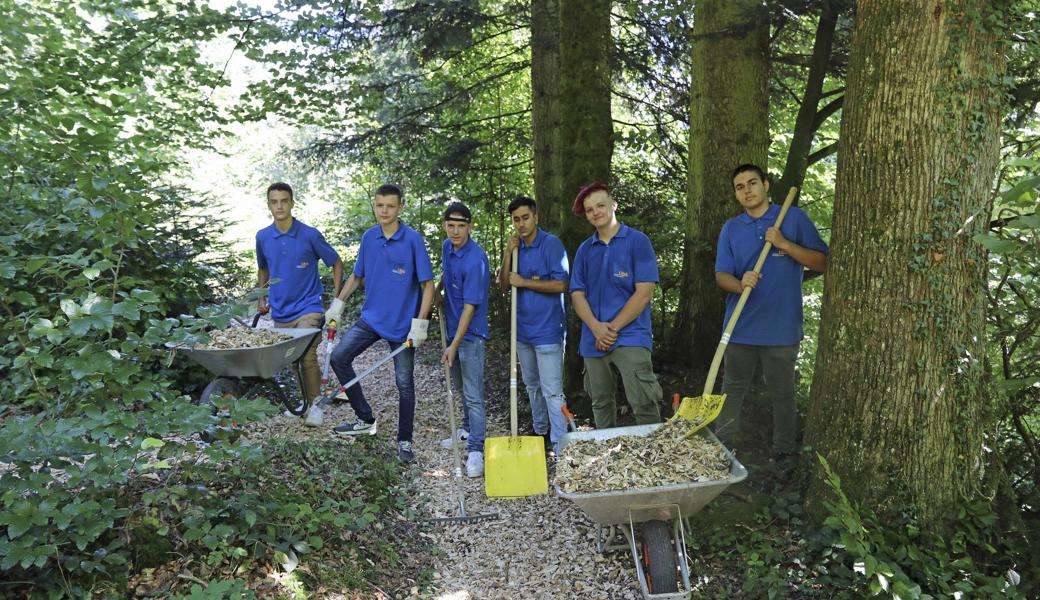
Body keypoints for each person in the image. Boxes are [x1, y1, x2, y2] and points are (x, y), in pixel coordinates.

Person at [712, 164, 828, 458]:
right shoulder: (732, 228)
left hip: (781, 327)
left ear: (765, 185)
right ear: (736, 195)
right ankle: (722, 452)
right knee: (732, 389)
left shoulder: (792, 217)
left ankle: (783, 456)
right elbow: (721, 275)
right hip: (740, 326)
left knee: (782, 393)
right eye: (740, 187)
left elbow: (822, 262)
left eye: (752, 183)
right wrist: (740, 284)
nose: (747, 190)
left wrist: (785, 244)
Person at [324, 184, 434, 463]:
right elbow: (356, 276)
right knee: (339, 358)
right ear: (374, 205)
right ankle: (364, 418)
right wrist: (338, 303)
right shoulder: (369, 237)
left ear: (400, 208)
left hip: (402, 327)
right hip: (371, 319)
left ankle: (405, 441)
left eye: (390, 206)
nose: (383, 211)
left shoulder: (412, 240)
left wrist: (420, 323)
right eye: (379, 205)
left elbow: (428, 286)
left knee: (404, 384)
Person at [569, 183, 663, 429]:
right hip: (593, 339)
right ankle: (606, 459)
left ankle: (652, 460)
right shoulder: (584, 250)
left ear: (613, 205)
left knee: (643, 400)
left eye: (600, 205)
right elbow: (577, 294)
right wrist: (596, 328)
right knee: (600, 402)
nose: (595, 212)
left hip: (631, 335)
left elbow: (645, 293)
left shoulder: (637, 241)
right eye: (589, 210)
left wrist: (611, 329)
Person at [256, 182, 343, 406]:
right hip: (281, 311)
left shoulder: (310, 235)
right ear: (268, 205)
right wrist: (262, 297)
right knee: (292, 360)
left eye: (284, 201)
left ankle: (314, 407)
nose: (280, 206)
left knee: (307, 356)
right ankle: (306, 403)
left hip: (309, 307)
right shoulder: (263, 237)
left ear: (292, 203)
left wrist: (337, 299)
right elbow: (263, 268)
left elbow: (336, 263)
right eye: (274, 202)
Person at [498, 195, 569, 454]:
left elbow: (562, 285)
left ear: (536, 217)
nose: (521, 224)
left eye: (525, 218)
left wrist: (525, 281)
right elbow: (504, 286)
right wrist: (508, 253)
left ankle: (561, 446)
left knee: (552, 391)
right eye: (516, 220)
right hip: (523, 331)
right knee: (532, 386)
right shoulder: (516, 248)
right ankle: (541, 432)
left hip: (548, 331)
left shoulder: (551, 245)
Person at [438, 202, 490, 477]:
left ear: (470, 226)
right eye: (451, 226)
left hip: (470, 335)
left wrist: (454, 345)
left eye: (461, 226)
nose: (456, 231)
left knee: (473, 394)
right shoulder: (448, 247)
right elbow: (447, 277)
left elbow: (470, 308)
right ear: (445, 226)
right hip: (452, 332)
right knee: (459, 386)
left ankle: (476, 450)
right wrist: (437, 291)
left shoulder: (475, 259)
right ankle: (467, 429)